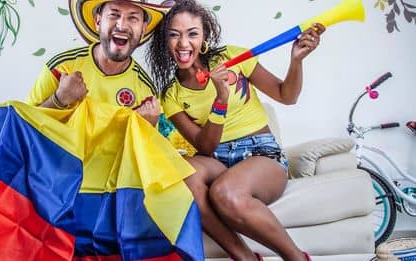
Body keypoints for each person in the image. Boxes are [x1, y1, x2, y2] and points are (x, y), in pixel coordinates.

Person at [147, 0, 325, 260]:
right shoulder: (171, 95)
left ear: (204, 35)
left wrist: (296, 61)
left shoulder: (233, 58)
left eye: (192, 33)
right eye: (173, 34)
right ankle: (245, 257)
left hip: (261, 155)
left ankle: (296, 257)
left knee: (224, 193)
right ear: (163, 41)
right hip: (216, 158)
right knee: (181, 175)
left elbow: (287, 96)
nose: (183, 44)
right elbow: (205, 147)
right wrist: (220, 100)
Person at [26, 0, 173, 126]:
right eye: (114, 14)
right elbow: (23, 126)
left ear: (143, 29)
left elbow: (143, 154)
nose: (121, 25)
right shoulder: (61, 67)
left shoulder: (146, 93)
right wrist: (59, 99)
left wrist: (146, 127)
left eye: (133, 18)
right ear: (98, 21)